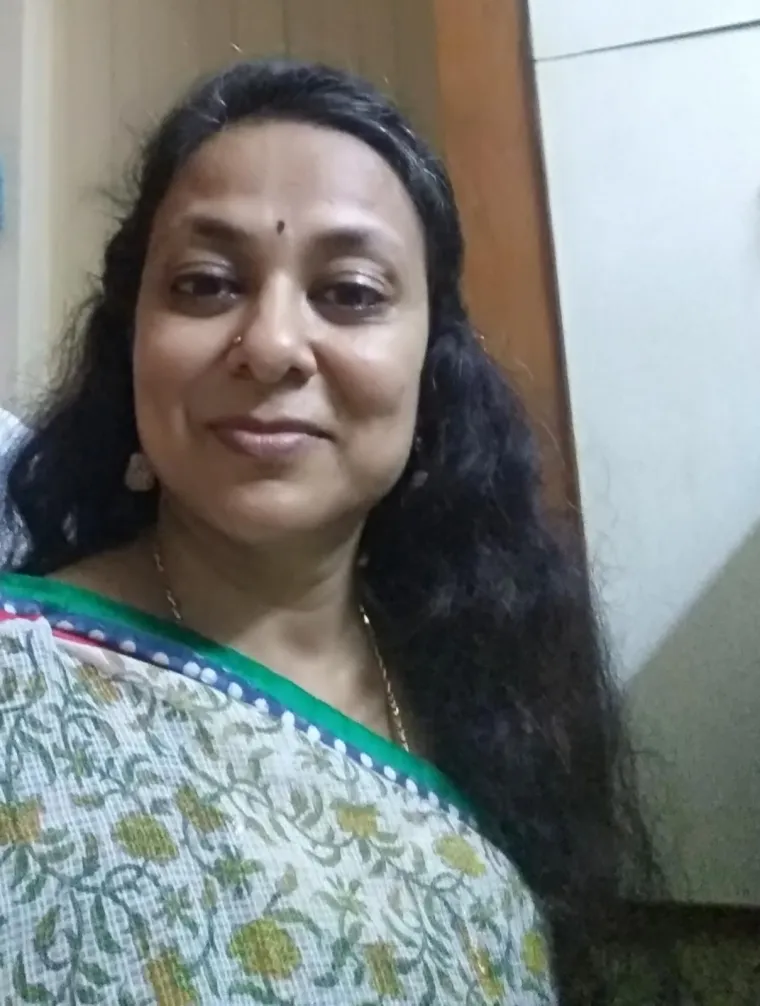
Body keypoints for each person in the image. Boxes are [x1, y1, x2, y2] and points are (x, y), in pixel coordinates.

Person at [0, 60, 664, 1005]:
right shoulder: (24, 684)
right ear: (131, 342)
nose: (270, 344)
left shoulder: (493, 706)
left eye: (349, 293)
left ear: (431, 374)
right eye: (205, 283)